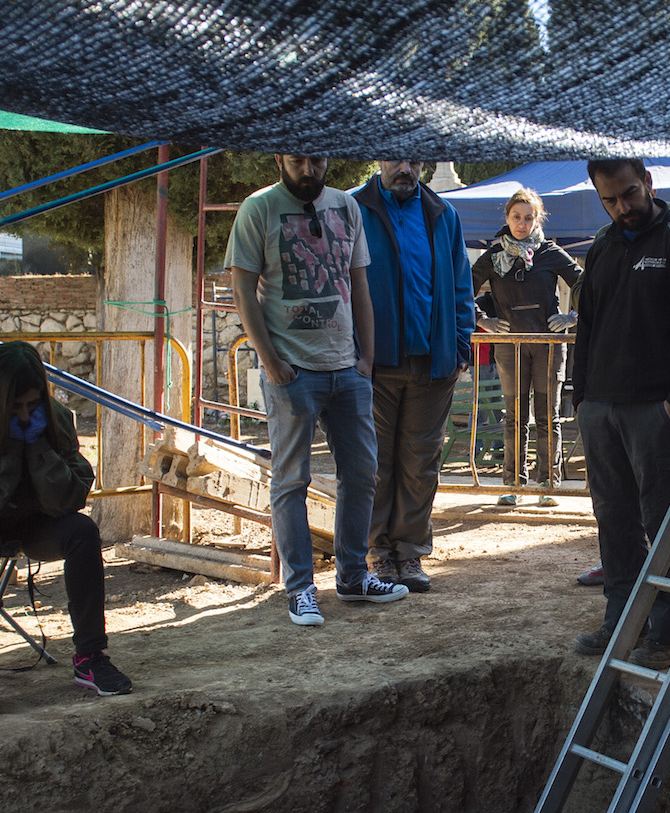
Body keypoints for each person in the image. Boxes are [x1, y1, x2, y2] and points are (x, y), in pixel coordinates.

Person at [229, 154, 408, 625]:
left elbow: (359, 285)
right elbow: (244, 290)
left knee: (363, 473)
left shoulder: (346, 208)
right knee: (292, 480)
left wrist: (365, 358)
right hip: (293, 371)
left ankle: (352, 577)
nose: (309, 167)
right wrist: (270, 361)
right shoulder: (259, 208)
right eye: (298, 159)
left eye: (317, 158)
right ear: (279, 159)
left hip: (346, 367)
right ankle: (301, 588)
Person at [0, 342, 131, 718]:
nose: (24, 414)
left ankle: (90, 657)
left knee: (81, 531)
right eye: (13, 408)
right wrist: (8, 455)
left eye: (32, 405)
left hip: (28, 521)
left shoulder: (55, 419)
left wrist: (37, 450)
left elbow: (72, 496)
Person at [571, 158, 670, 664]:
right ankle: (621, 622)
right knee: (613, 519)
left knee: (664, 522)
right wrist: (582, 399)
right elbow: (586, 327)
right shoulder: (603, 246)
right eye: (610, 200)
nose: (623, 207)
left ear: (649, 184)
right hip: (602, 410)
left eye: (630, 194)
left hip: (658, 413)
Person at [351, 160, 474, 591]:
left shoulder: (443, 213)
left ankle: (410, 553)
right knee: (376, 464)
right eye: (395, 157)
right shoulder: (353, 208)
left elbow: (462, 284)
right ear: (378, 158)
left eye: (415, 159)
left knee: (421, 465)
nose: (405, 167)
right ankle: (378, 555)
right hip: (373, 362)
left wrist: (461, 344)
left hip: (432, 360)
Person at [470, 187, 580, 508]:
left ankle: (548, 484)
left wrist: (573, 316)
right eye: (516, 217)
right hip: (509, 345)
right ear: (507, 217)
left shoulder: (550, 252)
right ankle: (513, 484)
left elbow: (586, 283)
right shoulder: (493, 257)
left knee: (549, 416)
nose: (522, 223)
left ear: (537, 219)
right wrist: (482, 320)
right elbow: (460, 287)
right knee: (514, 417)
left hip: (547, 345)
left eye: (528, 217)